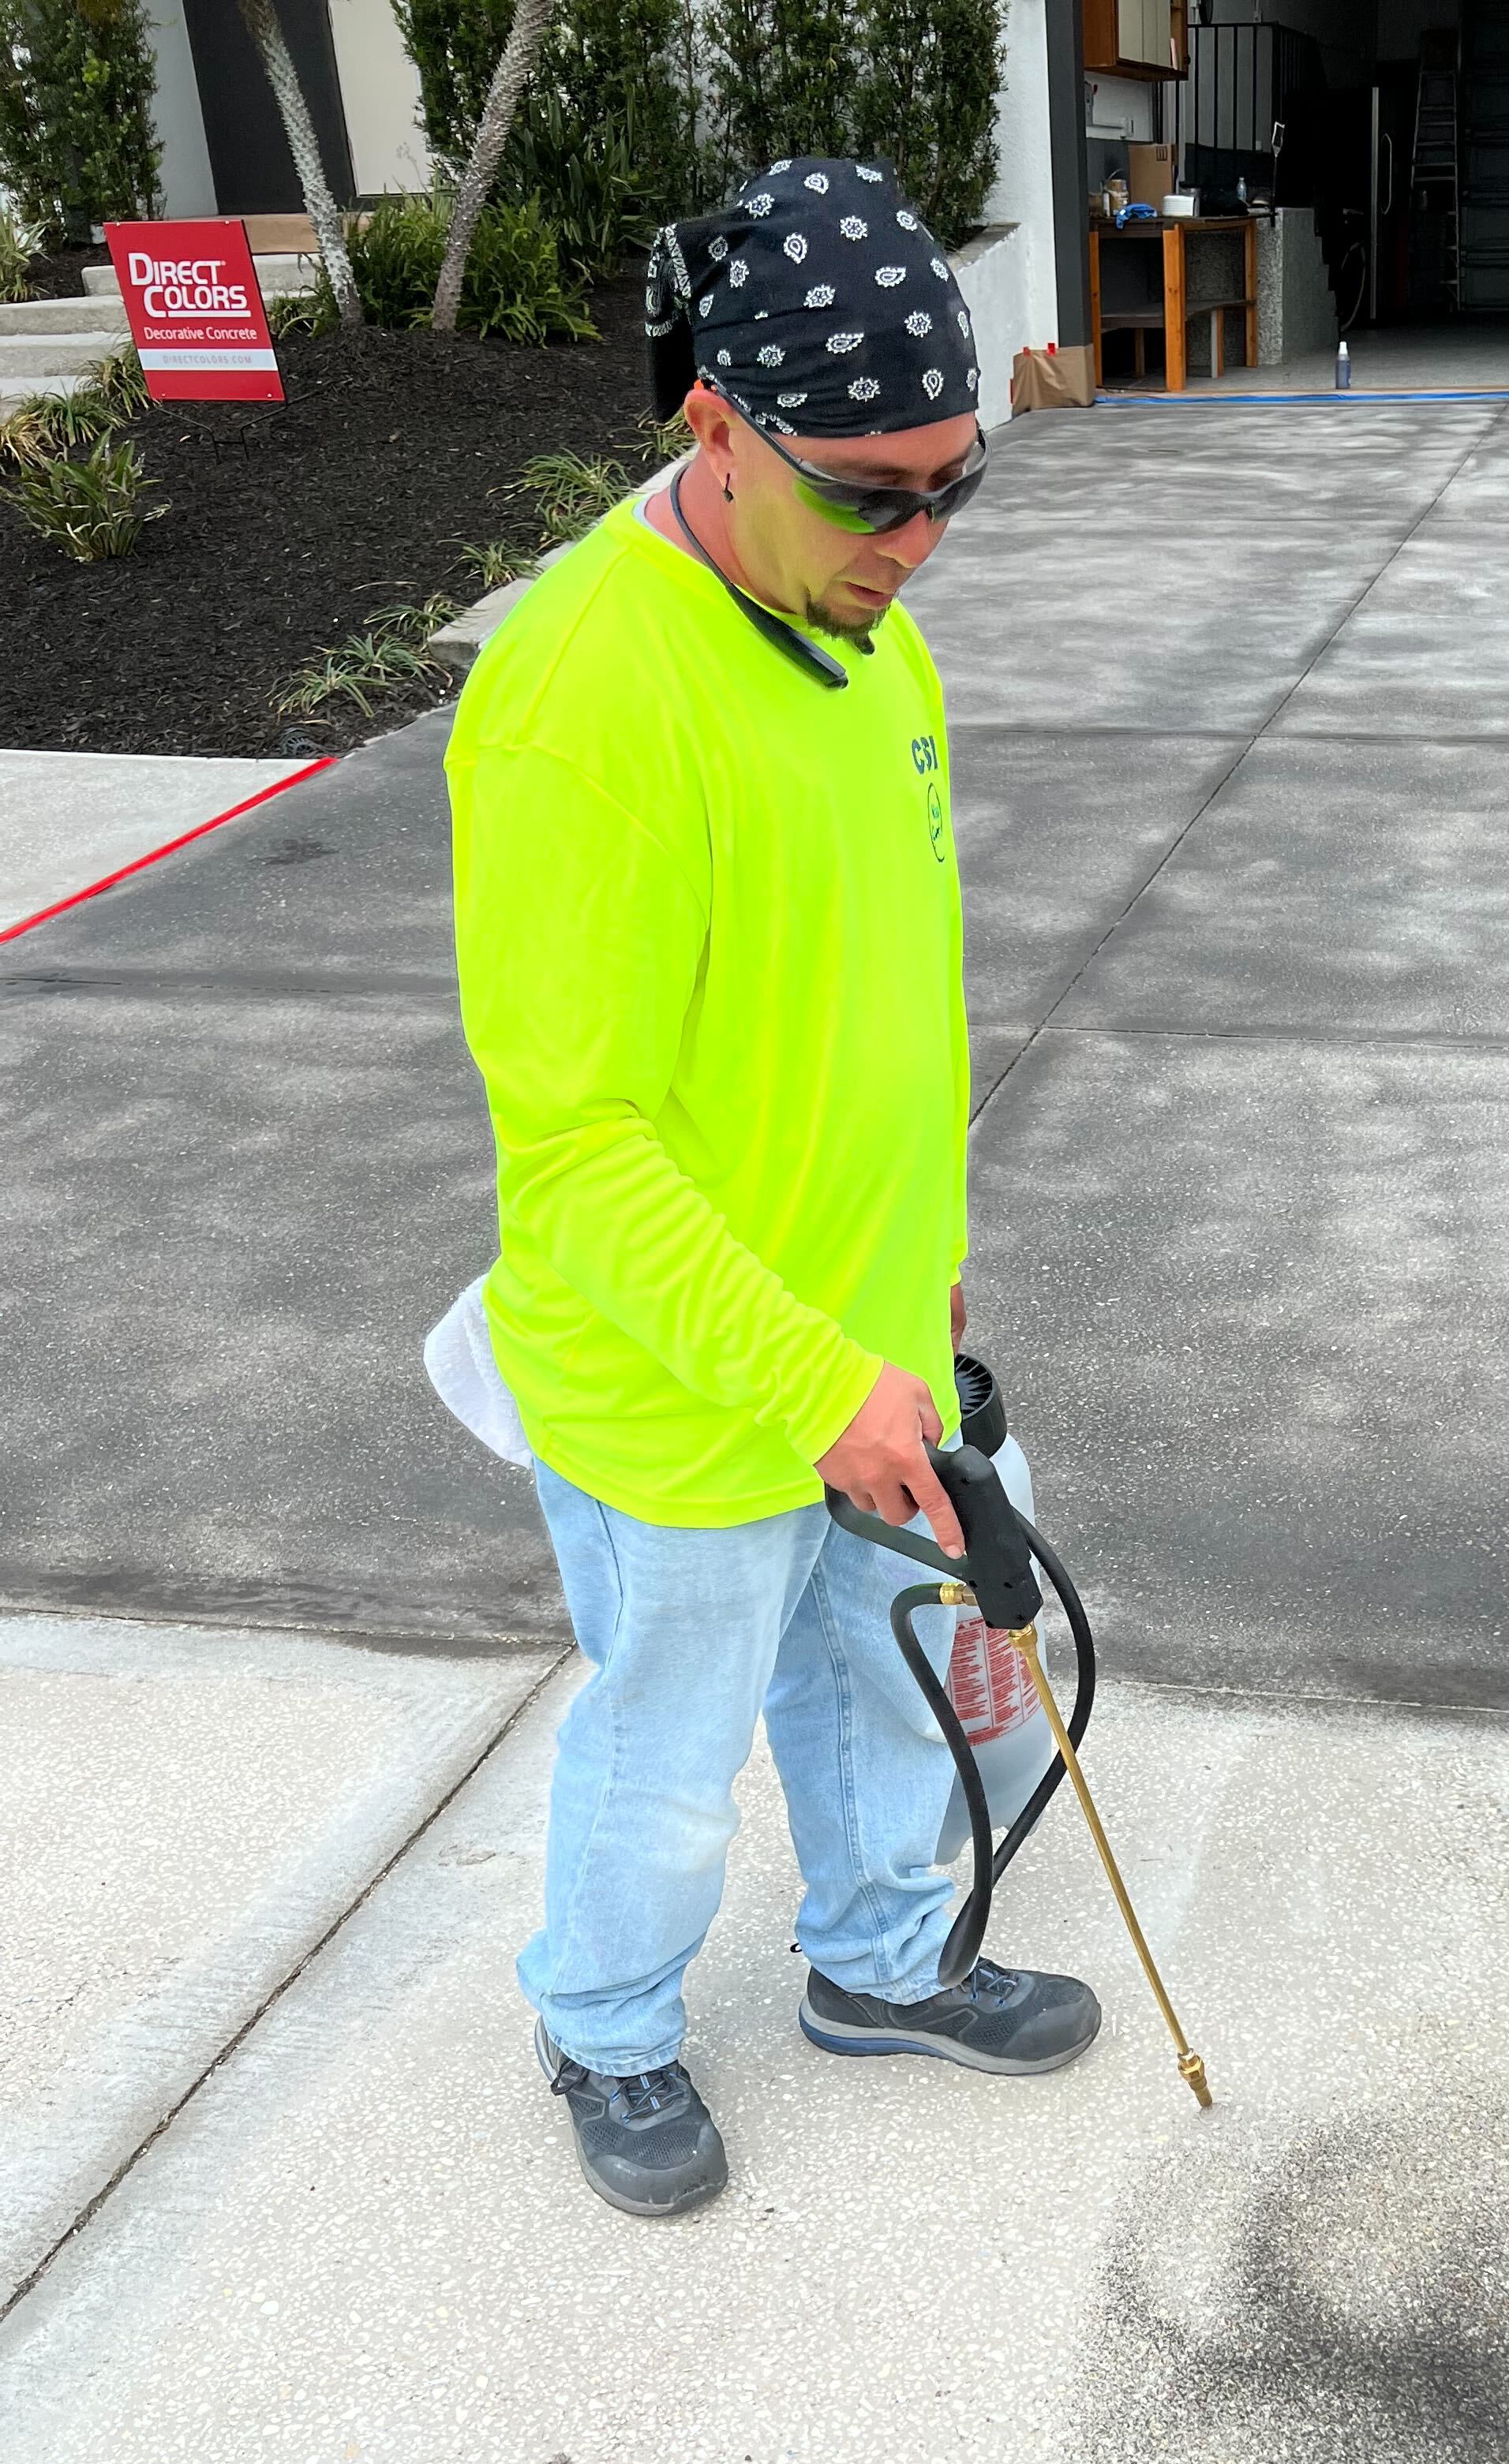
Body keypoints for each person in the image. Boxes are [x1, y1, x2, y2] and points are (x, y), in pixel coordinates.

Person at [444, 158, 1099, 2222]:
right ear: (714, 426)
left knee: (892, 1688)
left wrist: (926, 1275)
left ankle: (886, 1964)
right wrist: (806, 1377)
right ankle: (612, 2025)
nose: (916, 544)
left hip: (871, 1336)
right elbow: (581, 1156)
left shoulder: (871, 639)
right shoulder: (581, 703)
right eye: (871, 492)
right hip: (681, 1390)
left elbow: (881, 992)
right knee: (672, 1740)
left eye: (953, 490)